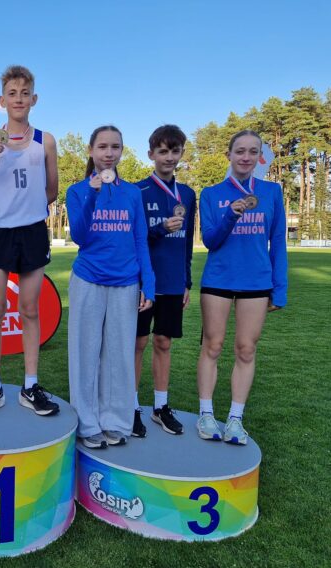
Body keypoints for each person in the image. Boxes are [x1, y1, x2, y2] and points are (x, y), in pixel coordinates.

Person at [0, 65, 59, 417]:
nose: (19, 99)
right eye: (12, 93)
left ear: (33, 99)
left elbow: (52, 190)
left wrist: (31, 209)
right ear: (2, 100)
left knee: (29, 309)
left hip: (33, 231)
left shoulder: (45, 141)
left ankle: (29, 385)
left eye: (25, 93)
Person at [196, 130, 287, 445]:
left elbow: (278, 243)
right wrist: (230, 216)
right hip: (218, 279)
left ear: (259, 156)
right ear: (229, 156)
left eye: (252, 151)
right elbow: (210, 241)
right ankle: (206, 414)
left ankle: (235, 419)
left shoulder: (272, 192)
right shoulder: (211, 194)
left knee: (246, 349)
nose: (246, 157)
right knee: (213, 346)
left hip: (257, 281)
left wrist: (280, 288)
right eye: (240, 151)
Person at [66, 125, 155, 449]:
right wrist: (92, 193)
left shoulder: (132, 193)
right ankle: (87, 423)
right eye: (102, 146)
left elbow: (140, 240)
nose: (108, 152)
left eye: (115, 146)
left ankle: (116, 422)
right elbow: (80, 235)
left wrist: (150, 284)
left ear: (121, 151)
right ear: (91, 151)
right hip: (88, 279)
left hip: (126, 282)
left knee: (119, 356)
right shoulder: (77, 191)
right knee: (85, 354)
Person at [133, 125, 196, 437]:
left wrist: (187, 281)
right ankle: (131, 407)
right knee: (138, 343)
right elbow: (132, 238)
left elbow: (187, 243)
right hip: (144, 281)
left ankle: (160, 406)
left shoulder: (187, 194)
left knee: (163, 342)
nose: (169, 157)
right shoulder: (138, 191)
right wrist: (159, 229)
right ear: (151, 155)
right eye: (163, 151)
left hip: (172, 282)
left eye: (175, 151)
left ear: (181, 153)